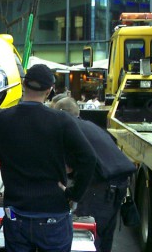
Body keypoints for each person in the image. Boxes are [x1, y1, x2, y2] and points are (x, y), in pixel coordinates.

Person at [0, 64, 96, 252]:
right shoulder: (62, 121)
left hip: (15, 215)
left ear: (23, 85)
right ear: (49, 91)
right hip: (53, 215)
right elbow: (89, 159)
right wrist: (73, 194)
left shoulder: (2, 118)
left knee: (14, 222)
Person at [53, 96, 136, 252]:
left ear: (61, 114)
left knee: (88, 235)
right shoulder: (90, 126)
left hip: (101, 189)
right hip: (119, 185)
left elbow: (68, 167)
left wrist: (71, 193)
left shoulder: (69, 129)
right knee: (104, 236)